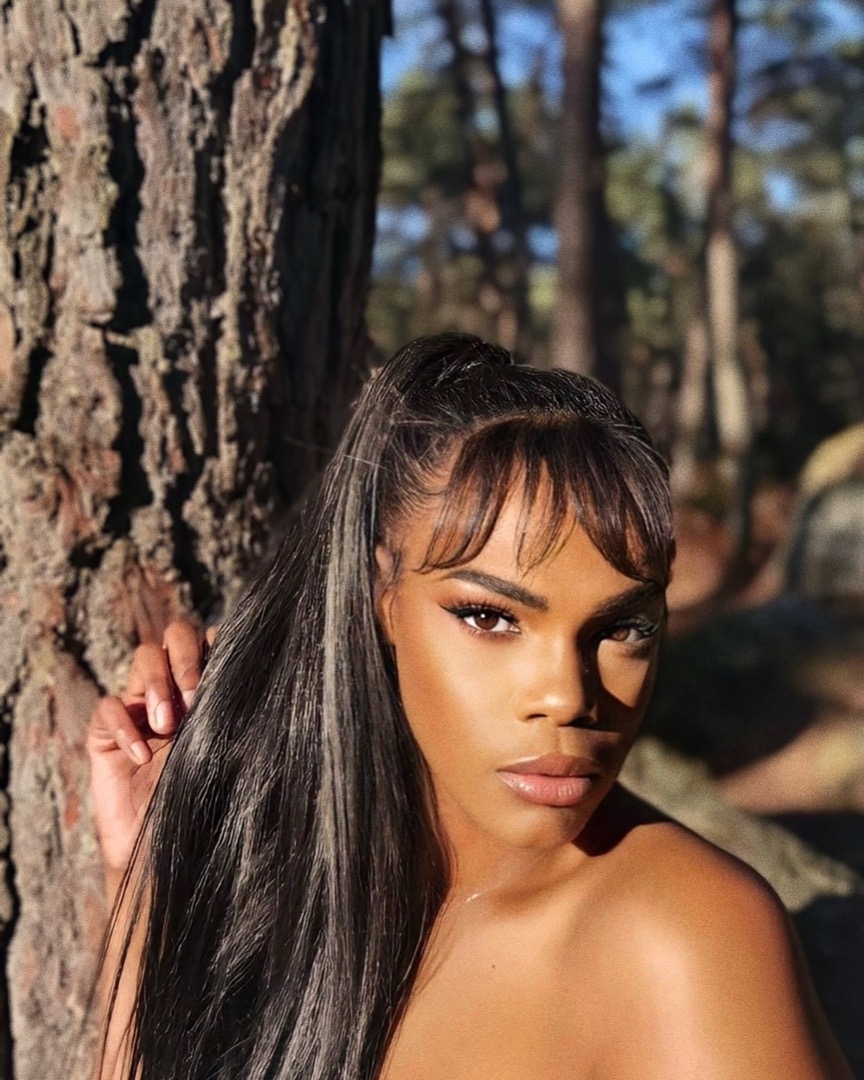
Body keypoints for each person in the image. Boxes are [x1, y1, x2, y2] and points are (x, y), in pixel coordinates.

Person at [88, 334, 853, 1080]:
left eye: (623, 628)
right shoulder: (288, 885)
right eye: (491, 617)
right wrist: (152, 871)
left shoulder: (683, 937)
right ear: (378, 598)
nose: (567, 696)